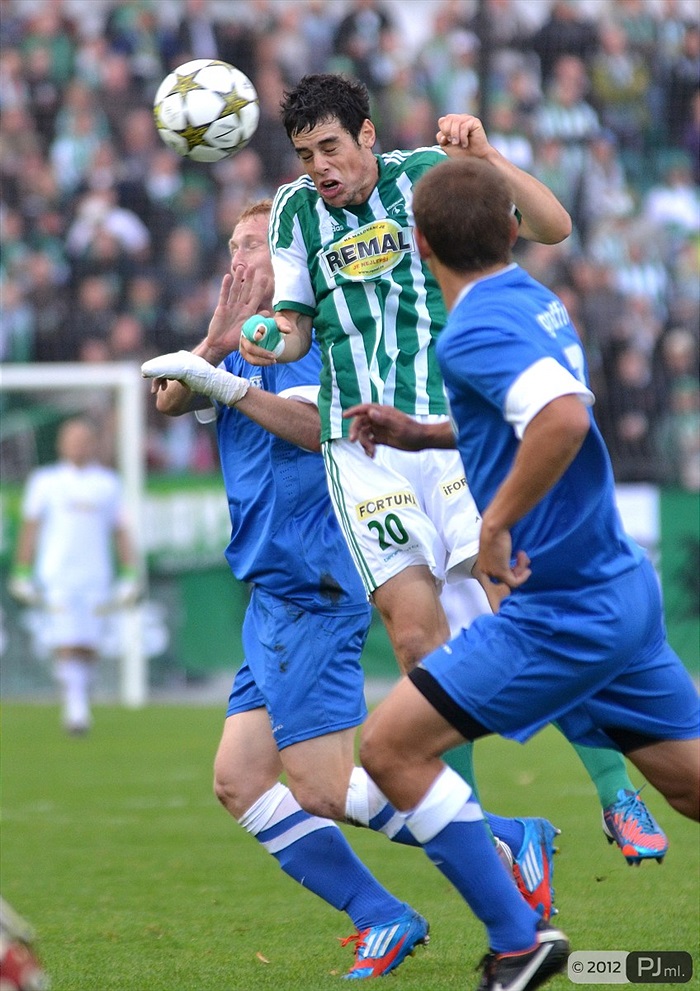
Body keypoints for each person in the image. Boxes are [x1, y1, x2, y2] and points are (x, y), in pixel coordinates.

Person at [238, 73, 668, 867]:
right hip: (360, 449)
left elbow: (554, 226)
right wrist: (269, 335)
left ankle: (617, 791)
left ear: (367, 136)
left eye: (330, 147)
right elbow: (296, 327)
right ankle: (483, 835)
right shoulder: (295, 213)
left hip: (449, 434)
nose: (319, 166)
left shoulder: (428, 178)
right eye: (305, 154)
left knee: (525, 605)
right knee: (416, 639)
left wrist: (489, 157)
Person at [141, 199, 565, 979]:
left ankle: (504, 837)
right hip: (274, 592)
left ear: (289, 262)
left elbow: (318, 429)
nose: (237, 260)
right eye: (231, 246)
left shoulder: (307, 340)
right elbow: (168, 396)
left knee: (322, 788)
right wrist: (212, 348)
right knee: (239, 781)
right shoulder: (243, 343)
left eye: (252, 245)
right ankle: (382, 910)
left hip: (315, 577)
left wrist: (224, 379)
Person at [345, 157, 700, 990]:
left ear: (419, 243)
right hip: (619, 586)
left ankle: (518, 940)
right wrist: (425, 433)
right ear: (511, 230)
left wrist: (496, 521)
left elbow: (562, 417)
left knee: (390, 748)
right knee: (691, 788)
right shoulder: (535, 297)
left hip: (561, 611)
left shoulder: (471, 328)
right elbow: (524, 410)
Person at [8, 417, 141, 734]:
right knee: (66, 640)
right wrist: (22, 571)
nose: (78, 445)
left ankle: (79, 695)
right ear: (60, 444)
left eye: (83, 439)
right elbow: (30, 528)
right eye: (72, 439)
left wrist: (129, 574)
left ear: (92, 444)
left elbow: (121, 531)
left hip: (96, 575)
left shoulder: (108, 483)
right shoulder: (45, 481)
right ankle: (76, 708)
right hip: (57, 575)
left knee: (88, 644)